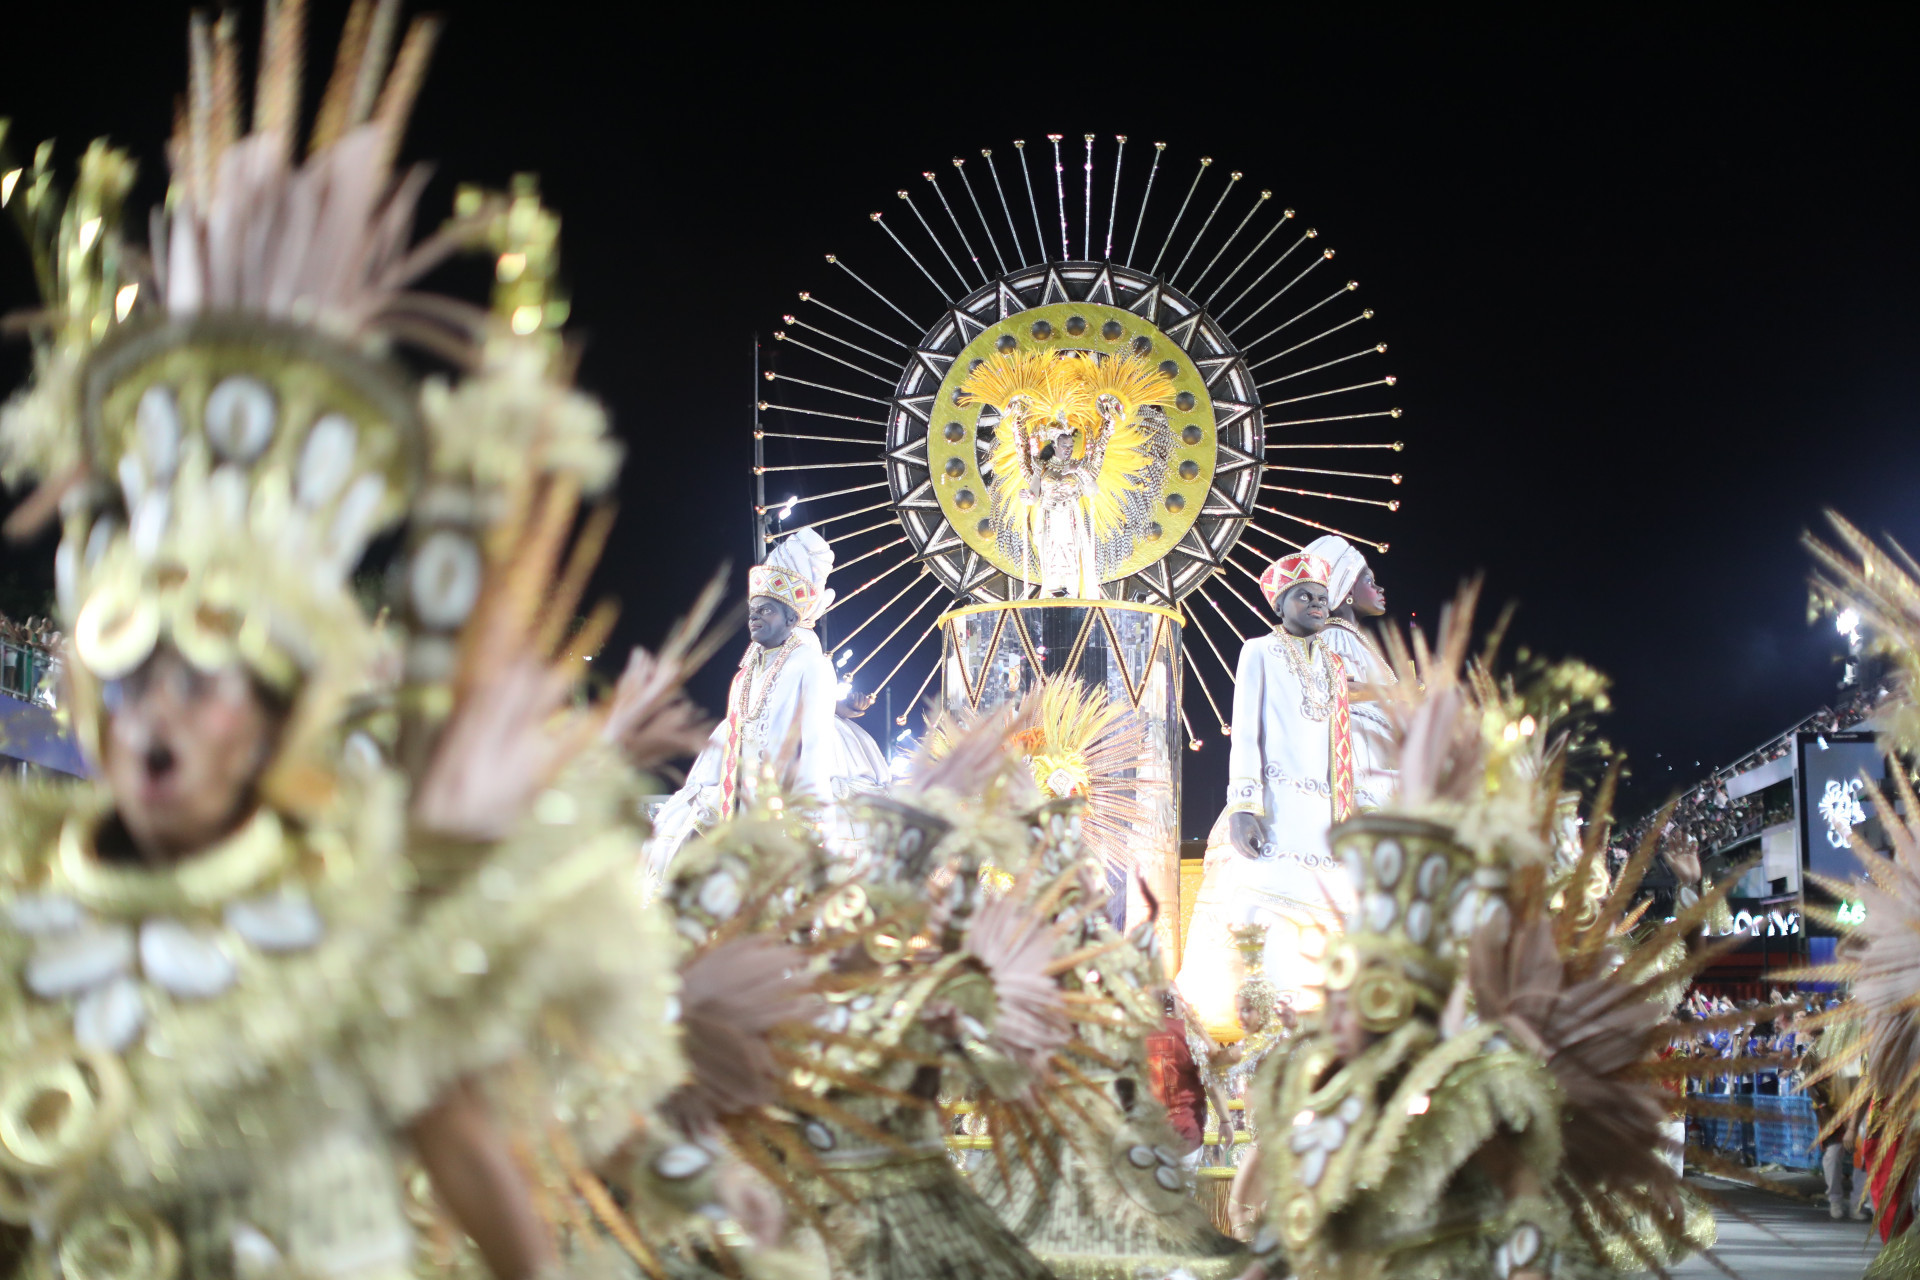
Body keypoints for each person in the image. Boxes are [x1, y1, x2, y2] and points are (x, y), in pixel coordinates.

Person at [1175, 551, 1360, 1036]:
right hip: (1276, 809)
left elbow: (1343, 748)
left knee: (1330, 921)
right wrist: (1243, 806)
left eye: (1322, 597)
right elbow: (1247, 734)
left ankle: (1319, 1033)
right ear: (1281, 604)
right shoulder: (1258, 650)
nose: (1317, 604)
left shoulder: (1337, 665)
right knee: (1269, 914)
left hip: (1325, 815)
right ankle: (1272, 1030)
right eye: (1304, 596)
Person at [647, 527, 848, 873]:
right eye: (753, 609)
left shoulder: (813, 666)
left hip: (782, 813)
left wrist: (807, 824)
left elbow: (815, 748)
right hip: (735, 807)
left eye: (767, 610)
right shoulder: (745, 673)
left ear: (791, 617)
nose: (754, 616)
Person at [1304, 534, 1397, 809]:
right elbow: (1339, 690)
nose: (1380, 589)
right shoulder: (1336, 638)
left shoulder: (1355, 640)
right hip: (1359, 750)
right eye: (1370, 581)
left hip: (1379, 750)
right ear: (1347, 594)